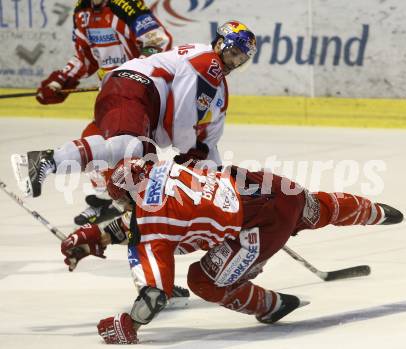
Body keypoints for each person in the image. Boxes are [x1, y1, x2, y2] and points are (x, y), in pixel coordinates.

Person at [60, 157, 404, 344]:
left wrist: (128, 326)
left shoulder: (151, 228)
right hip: (266, 187)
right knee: (312, 206)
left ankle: (270, 306)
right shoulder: (164, 167)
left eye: (122, 203)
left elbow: (153, 296)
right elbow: (140, 221)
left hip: (259, 227)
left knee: (203, 281)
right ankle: (376, 211)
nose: (122, 209)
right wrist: (91, 236)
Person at [12, 20, 257, 225]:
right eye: (233, 53)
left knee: (142, 177)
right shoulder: (207, 63)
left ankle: (114, 217)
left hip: (141, 100)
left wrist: (217, 181)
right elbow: (179, 121)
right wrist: (189, 152)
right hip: (136, 87)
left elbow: (209, 142)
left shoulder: (219, 91)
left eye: (240, 58)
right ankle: (47, 160)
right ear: (220, 43)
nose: (234, 62)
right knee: (130, 148)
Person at [36, 0, 173, 105]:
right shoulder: (81, 11)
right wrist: (60, 80)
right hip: (110, 93)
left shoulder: (126, 5)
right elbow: (85, 59)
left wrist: (131, 74)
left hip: (141, 94)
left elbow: (159, 41)